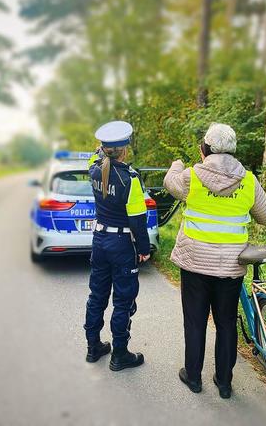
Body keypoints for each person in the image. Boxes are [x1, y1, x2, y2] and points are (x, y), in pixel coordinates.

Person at [163, 123, 266, 398]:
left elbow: (170, 183)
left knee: (195, 320)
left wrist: (176, 164)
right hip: (231, 266)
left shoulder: (191, 176)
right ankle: (224, 383)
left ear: (205, 149)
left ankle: (193, 377)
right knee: (226, 321)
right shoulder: (248, 180)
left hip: (195, 264)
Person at [84, 120, 150, 371]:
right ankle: (119, 354)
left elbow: (94, 156)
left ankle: (93, 347)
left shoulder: (93, 168)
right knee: (123, 300)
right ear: (125, 149)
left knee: (96, 295)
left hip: (99, 241)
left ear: (104, 147)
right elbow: (137, 220)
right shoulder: (130, 179)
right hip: (122, 244)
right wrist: (143, 250)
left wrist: (101, 149)